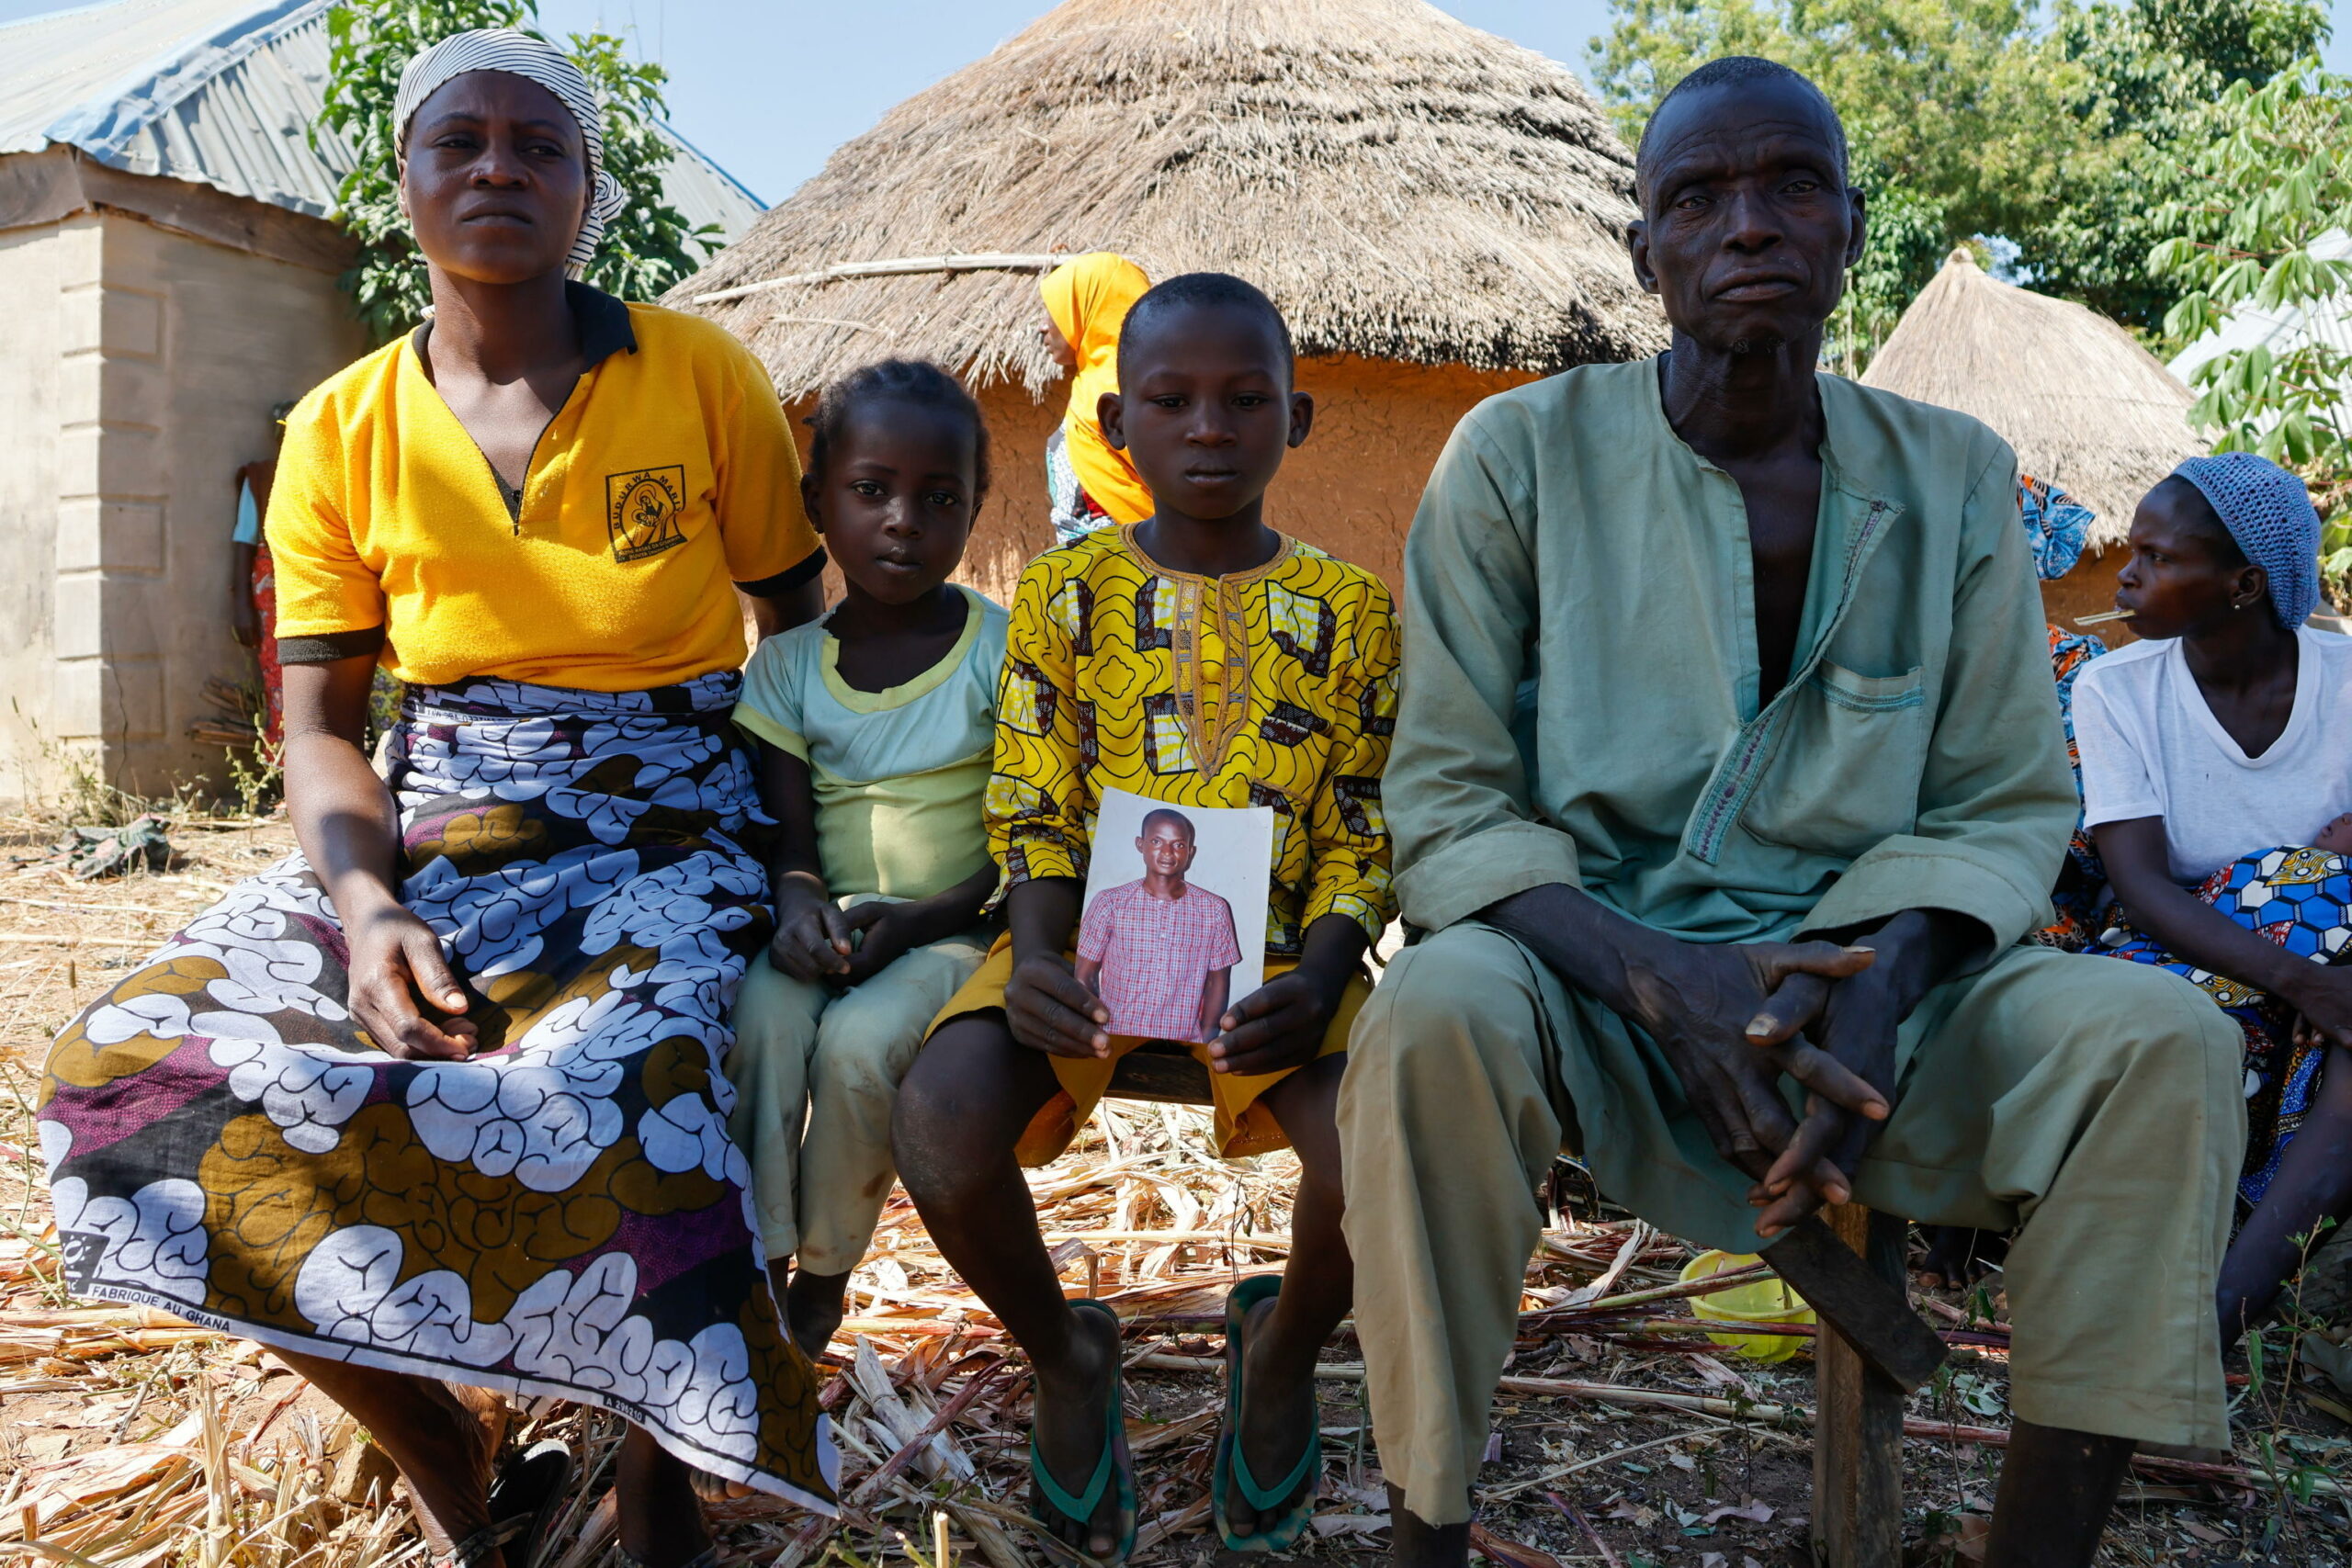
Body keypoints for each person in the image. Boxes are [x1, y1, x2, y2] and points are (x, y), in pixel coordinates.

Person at [1340, 57, 2244, 1568]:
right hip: (1597, 984)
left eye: (1791, 188)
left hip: (1879, 997)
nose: (1748, 225)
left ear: (1848, 230)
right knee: (1431, 1011)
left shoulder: (1951, 478)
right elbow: (1446, 796)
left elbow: (2007, 795)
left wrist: (1889, 980)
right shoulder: (1518, 457)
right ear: (1645, 254)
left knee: (2163, 1046)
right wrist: (1650, 974)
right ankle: (1427, 1529)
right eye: (1698, 196)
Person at [37, 30, 835, 1568]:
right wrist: (372, 906)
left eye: (538, 146)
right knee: (123, 1075)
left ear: (589, 189)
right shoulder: (338, 429)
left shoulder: (699, 377)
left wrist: (806, 856)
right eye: (456, 140)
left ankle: (654, 1477)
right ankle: (448, 1454)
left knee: (645, 1085)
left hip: (676, 817)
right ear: (402, 181)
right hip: (445, 822)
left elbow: (795, 639)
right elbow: (323, 718)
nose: (495, 168)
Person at [893, 273, 1398, 1562]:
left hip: (1282, 961)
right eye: (1171, 401)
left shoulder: (1353, 613)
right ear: (1117, 430)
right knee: (941, 1124)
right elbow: (1038, 801)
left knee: (1368, 1158)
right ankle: (1068, 1351)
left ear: (1300, 418)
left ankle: (1280, 1348)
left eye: (1246, 399)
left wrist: (1324, 967)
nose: (1211, 427)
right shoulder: (1064, 598)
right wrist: (1044, 956)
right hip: (1086, 951)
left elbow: (1359, 822)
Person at [726, 359, 1006, 1361]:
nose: (903, 521)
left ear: (979, 507)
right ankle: (756, 1259)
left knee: (856, 1053)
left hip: (955, 934)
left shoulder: (1000, 656)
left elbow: (1025, 838)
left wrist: (926, 920)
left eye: (940, 499)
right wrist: (800, 908)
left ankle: (827, 1271)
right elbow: (791, 844)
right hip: (827, 928)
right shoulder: (787, 668)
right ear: (816, 503)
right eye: (870, 491)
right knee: (759, 1023)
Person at [2074, 453, 2352, 1340]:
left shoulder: (2347, 683)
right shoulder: (2117, 689)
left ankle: (2212, 1320)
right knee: (2301, 889)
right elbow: (2144, 889)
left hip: (2329, 952)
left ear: (2243, 585)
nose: (2127, 573)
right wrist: (2305, 983)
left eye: (2158, 558)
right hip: (2178, 950)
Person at [1075, 807, 1244, 1043]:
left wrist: (1207, 1038)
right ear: (1140, 845)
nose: (1167, 852)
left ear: (1190, 852)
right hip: (1114, 1037)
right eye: (1157, 841)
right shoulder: (1109, 903)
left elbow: (1218, 982)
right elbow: (1085, 975)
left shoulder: (1214, 910)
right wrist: (1093, 1029)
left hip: (1183, 1042)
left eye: (1178, 845)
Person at [1038, 252, 1153, 543]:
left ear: (1089, 309)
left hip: (1133, 574)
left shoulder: (1133, 391)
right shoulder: (1089, 388)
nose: (1042, 325)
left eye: (1053, 311)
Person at [229, 401, 298, 746]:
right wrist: (241, 604)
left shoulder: (330, 473)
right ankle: (286, 773)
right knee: (280, 678)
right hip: (274, 600)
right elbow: (243, 539)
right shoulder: (262, 478)